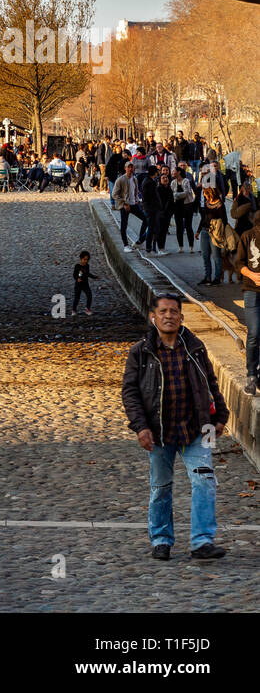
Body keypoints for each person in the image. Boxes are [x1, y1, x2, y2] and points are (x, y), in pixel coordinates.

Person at [121, 294, 229, 561]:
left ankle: (202, 542)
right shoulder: (140, 351)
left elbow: (210, 383)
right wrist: (140, 427)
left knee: (205, 482)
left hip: (198, 430)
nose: (169, 316)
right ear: (153, 316)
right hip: (159, 432)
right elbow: (130, 392)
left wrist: (221, 416)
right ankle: (161, 539)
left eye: (174, 312)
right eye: (163, 311)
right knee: (161, 488)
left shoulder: (195, 347)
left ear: (181, 317)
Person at [234, 219, 260, 396]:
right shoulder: (248, 236)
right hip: (252, 290)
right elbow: (238, 263)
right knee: (254, 332)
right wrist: (252, 275)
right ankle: (251, 375)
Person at [113, 162, 147, 251]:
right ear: (125, 168)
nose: (130, 169)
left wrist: (137, 201)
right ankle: (125, 245)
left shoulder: (134, 179)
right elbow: (114, 194)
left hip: (134, 204)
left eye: (132, 167)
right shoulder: (120, 180)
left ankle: (139, 241)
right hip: (125, 206)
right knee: (124, 226)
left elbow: (135, 192)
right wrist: (124, 204)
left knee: (146, 219)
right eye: (129, 167)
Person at [197, 187, 227, 285]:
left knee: (216, 256)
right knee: (205, 255)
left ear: (210, 194)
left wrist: (222, 234)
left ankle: (217, 278)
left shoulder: (219, 204)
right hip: (205, 231)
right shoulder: (207, 204)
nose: (205, 196)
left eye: (206, 194)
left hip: (215, 233)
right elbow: (203, 218)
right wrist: (198, 230)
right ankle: (207, 277)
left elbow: (224, 220)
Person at [142, 167, 174, 256]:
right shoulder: (154, 185)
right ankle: (150, 249)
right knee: (154, 231)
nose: (165, 179)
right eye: (163, 178)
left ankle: (158, 248)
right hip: (156, 211)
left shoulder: (168, 188)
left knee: (160, 231)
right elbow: (149, 198)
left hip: (165, 213)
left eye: (166, 177)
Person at [170, 166, 196, 253]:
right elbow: (170, 193)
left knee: (188, 226)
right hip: (177, 207)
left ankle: (191, 246)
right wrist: (175, 195)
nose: (173, 173)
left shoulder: (186, 181)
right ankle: (181, 247)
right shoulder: (173, 182)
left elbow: (186, 193)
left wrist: (176, 195)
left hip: (187, 205)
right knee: (179, 227)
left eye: (174, 171)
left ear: (179, 172)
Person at [73, 250, 97, 316]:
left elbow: (88, 274)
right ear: (81, 258)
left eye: (87, 260)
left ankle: (87, 309)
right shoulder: (77, 266)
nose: (86, 261)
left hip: (85, 284)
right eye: (84, 259)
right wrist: (77, 279)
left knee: (89, 296)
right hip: (78, 285)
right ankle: (74, 310)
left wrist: (95, 277)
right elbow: (74, 275)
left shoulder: (87, 266)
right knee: (77, 298)